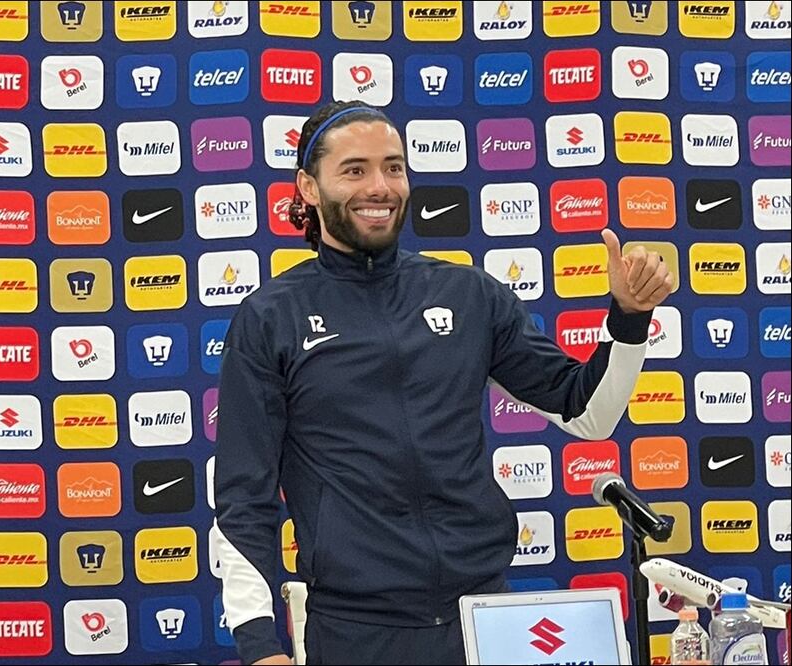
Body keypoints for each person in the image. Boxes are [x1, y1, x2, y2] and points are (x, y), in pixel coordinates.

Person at [211, 100, 673, 666]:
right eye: (354, 170)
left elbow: (587, 414)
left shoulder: (470, 295)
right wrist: (260, 647)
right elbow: (244, 500)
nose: (379, 186)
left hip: (485, 621)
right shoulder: (269, 318)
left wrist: (628, 319)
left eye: (394, 167)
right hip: (356, 633)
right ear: (309, 187)